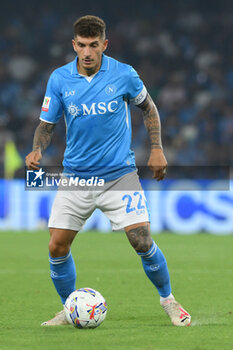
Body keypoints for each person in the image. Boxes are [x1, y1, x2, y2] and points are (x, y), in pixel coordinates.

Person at [25, 15, 191, 327]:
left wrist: (157, 148)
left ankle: (168, 299)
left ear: (104, 44)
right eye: (82, 46)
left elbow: (149, 108)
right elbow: (46, 125)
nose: (87, 52)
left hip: (119, 174)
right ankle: (69, 307)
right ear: (74, 45)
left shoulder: (124, 74)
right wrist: (38, 149)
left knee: (141, 240)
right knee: (56, 246)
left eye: (94, 45)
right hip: (75, 176)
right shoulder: (59, 79)